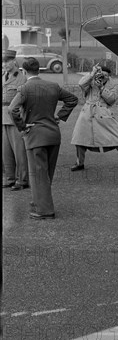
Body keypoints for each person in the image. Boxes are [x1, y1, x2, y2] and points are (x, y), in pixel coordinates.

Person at [9, 57, 78, 220]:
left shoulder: (24, 88)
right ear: (38, 70)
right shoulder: (53, 86)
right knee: (46, 174)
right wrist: (59, 116)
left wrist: (22, 126)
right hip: (53, 135)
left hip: (35, 136)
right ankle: (39, 202)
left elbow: (12, 109)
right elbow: (72, 99)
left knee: (37, 175)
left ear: (24, 72)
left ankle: (45, 211)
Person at [70, 64, 118, 172]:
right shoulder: (90, 81)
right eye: (101, 75)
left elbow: (112, 99)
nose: (103, 77)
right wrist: (92, 74)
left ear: (109, 77)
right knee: (79, 138)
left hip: (104, 113)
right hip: (87, 113)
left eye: (105, 76)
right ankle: (79, 163)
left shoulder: (113, 85)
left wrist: (102, 88)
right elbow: (81, 84)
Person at [2, 48, 28, 191]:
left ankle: (22, 180)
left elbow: (23, 100)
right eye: (3, 61)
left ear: (14, 61)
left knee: (19, 151)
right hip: (3, 118)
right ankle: (9, 178)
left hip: (15, 118)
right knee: (5, 152)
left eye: (7, 61)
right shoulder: (3, 75)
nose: (4, 64)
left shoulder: (21, 77)